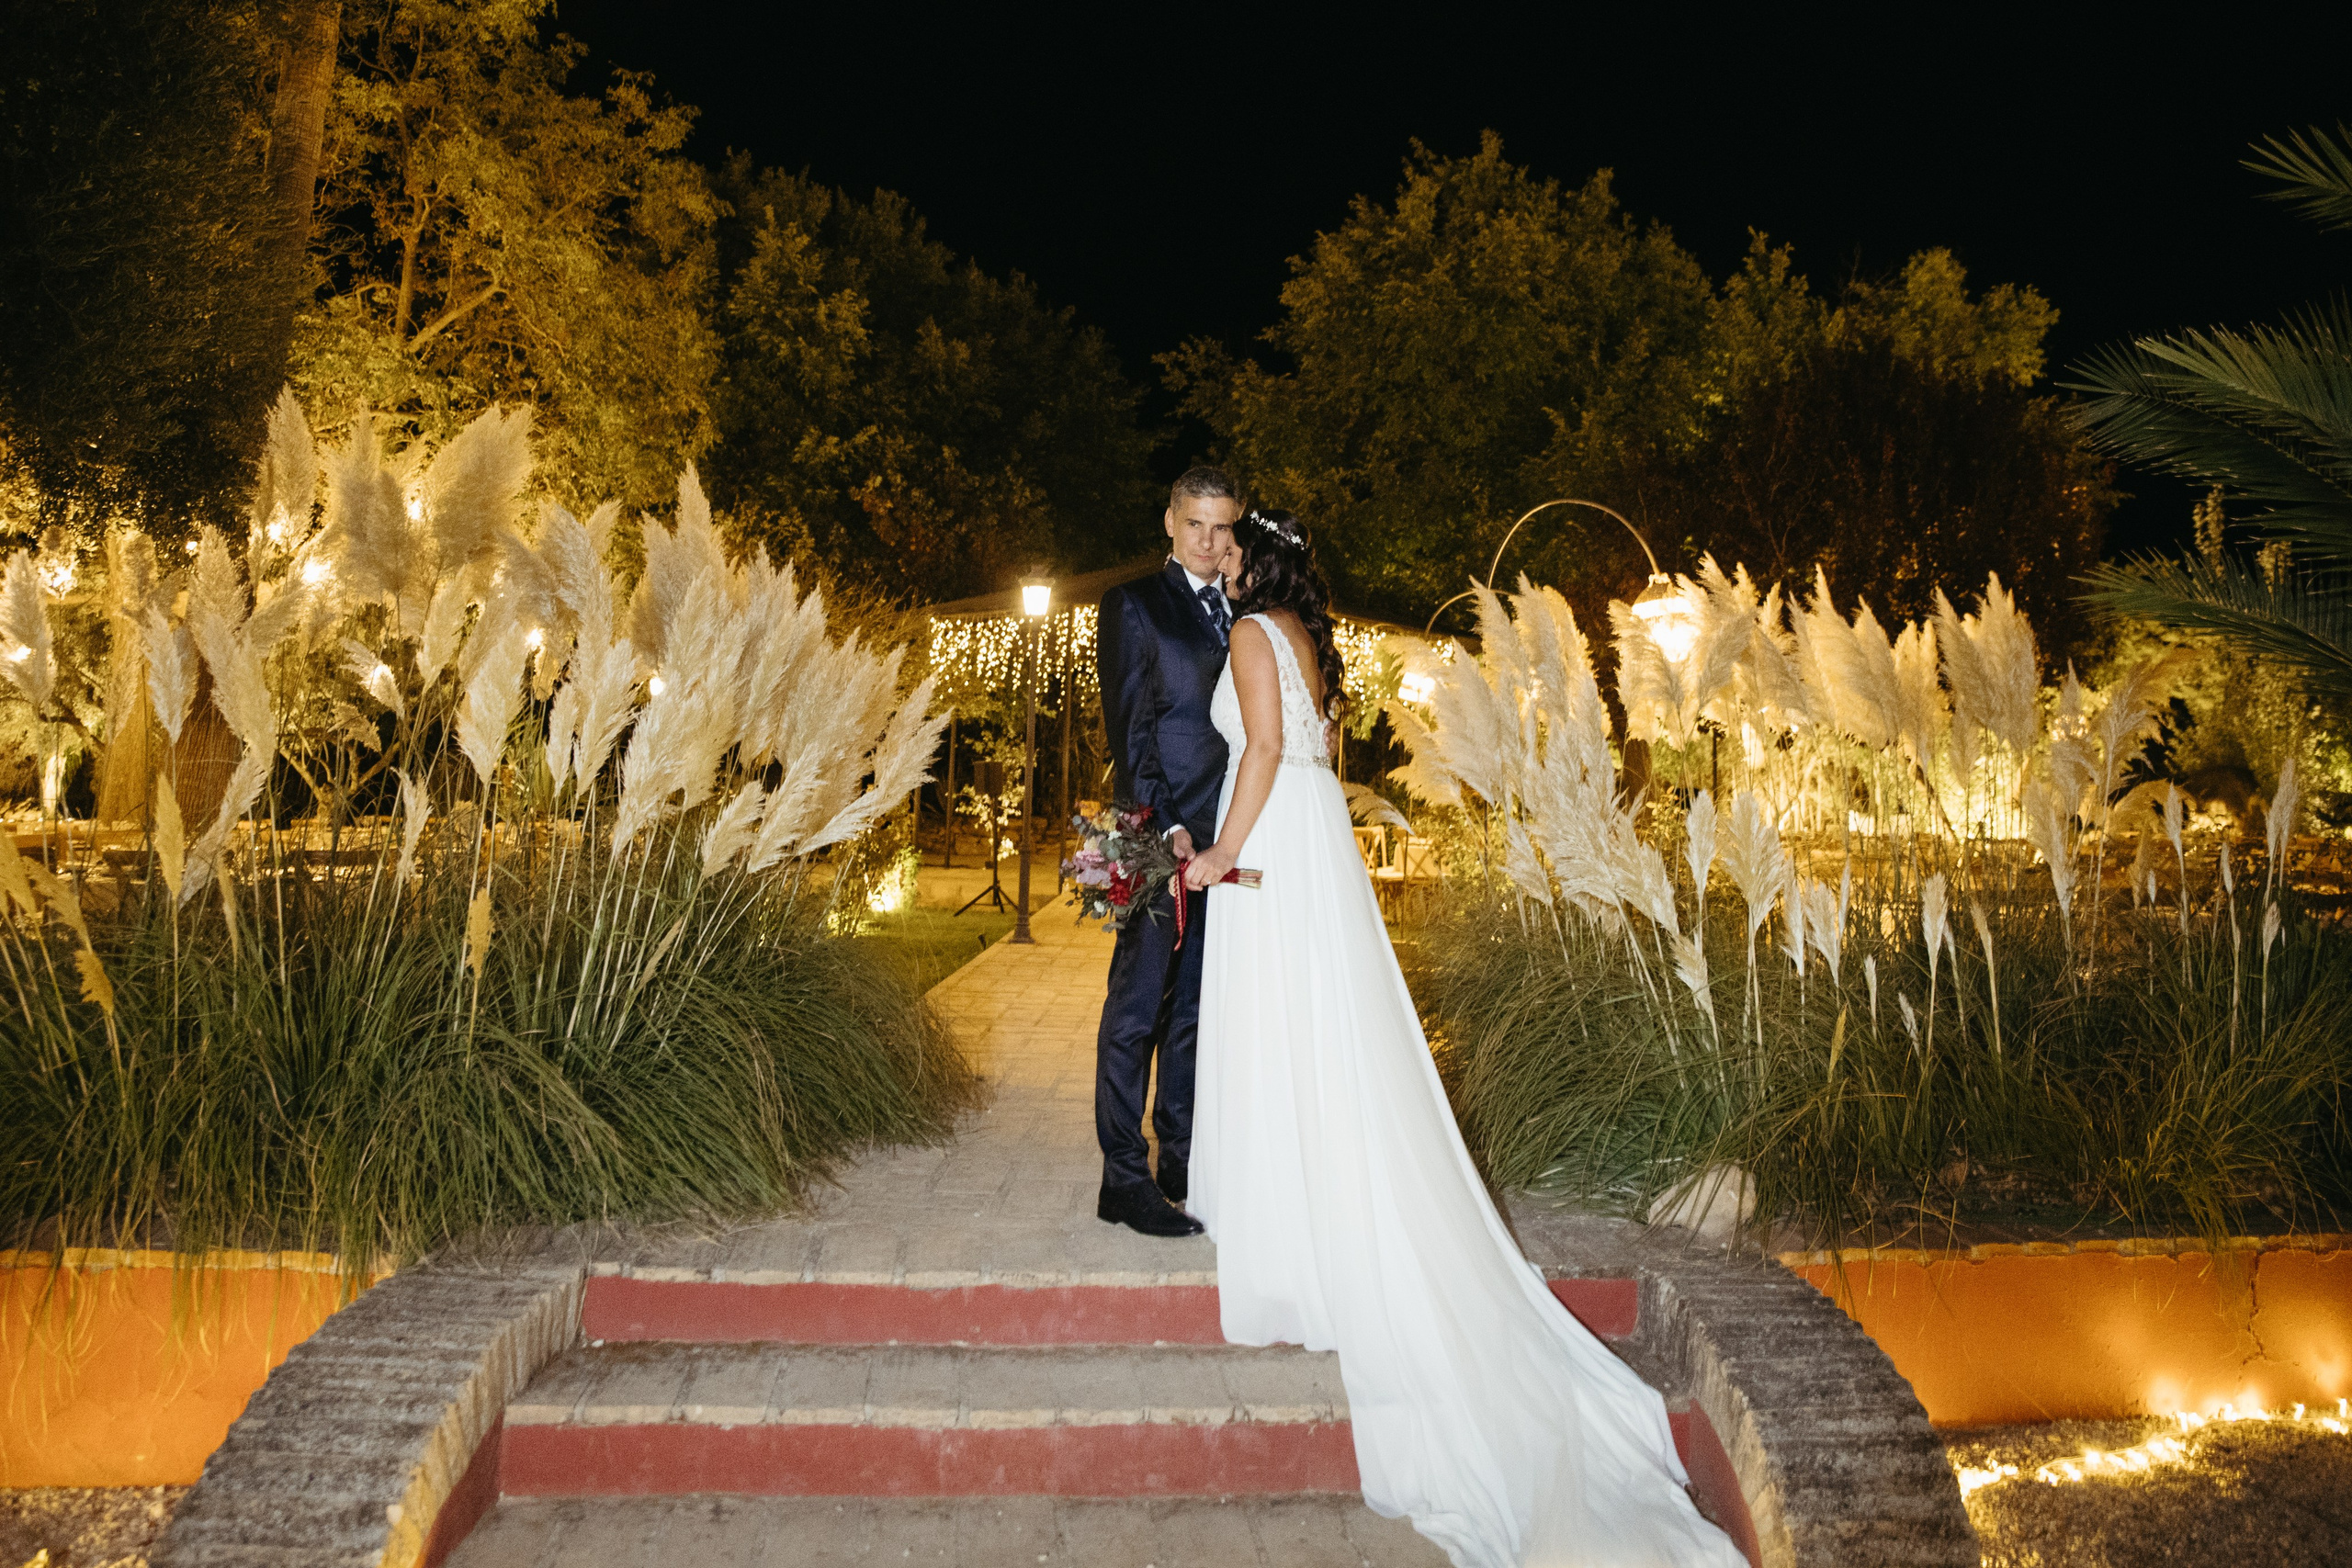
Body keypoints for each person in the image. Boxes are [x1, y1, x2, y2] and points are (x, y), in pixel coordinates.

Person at [1183, 510, 1747, 1568]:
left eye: (1229, 548)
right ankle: (1312, 1196)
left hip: (1270, 843)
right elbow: (1302, 747)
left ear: (1255, 561)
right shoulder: (1306, 638)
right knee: (1326, 1034)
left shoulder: (1253, 634)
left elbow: (1260, 747)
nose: (1216, 559)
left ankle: (1294, 1228)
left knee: (1287, 1032)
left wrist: (1219, 853)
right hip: (1315, 842)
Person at [1090, 465, 1241, 1237]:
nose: (1210, 543)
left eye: (1223, 528)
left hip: (1225, 837)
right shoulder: (1134, 605)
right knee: (1137, 1007)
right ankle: (1124, 1176)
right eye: (1196, 527)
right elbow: (1131, 729)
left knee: (1193, 1008)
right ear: (1170, 523)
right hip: (1156, 833)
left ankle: (1180, 1157)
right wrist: (1168, 826)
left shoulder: (1241, 609)